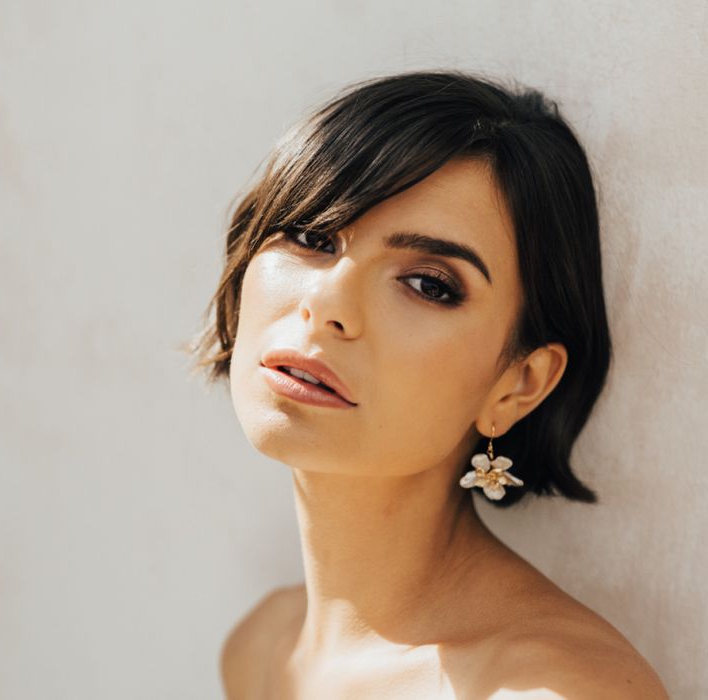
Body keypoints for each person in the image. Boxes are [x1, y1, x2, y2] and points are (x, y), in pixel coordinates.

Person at [186, 70, 670, 699]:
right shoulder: (260, 649)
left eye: (429, 284)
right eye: (312, 236)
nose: (327, 303)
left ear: (517, 384)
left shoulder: (559, 689)